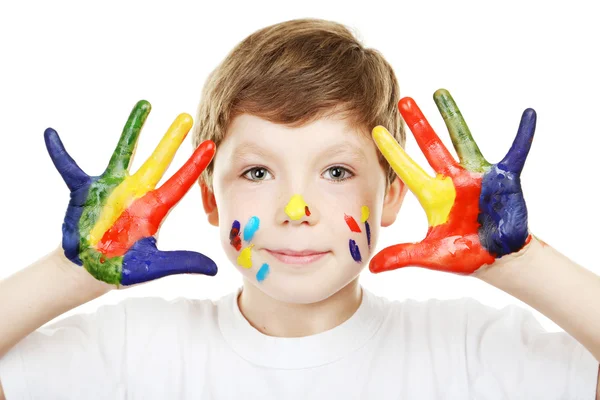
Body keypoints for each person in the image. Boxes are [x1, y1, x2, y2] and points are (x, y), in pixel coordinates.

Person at [0, 18, 599, 399]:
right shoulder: (129, 349)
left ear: (391, 195)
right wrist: (71, 270)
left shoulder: (469, 350)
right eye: (257, 171)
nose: (296, 207)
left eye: (336, 171)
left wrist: (516, 260)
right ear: (210, 196)